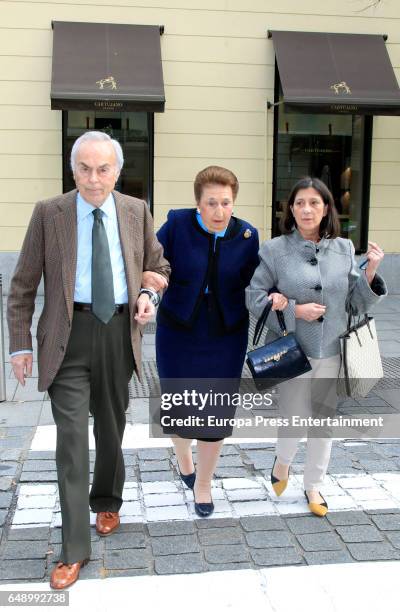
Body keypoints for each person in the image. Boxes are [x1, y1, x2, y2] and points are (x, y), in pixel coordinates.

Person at [7, 131, 170, 589]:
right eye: (84, 168)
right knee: (72, 439)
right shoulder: (49, 213)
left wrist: (147, 292)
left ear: (116, 171)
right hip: (67, 337)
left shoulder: (135, 210)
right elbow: (21, 285)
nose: (93, 179)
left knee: (111, 427)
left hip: (120, 333)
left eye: (103, 169)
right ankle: (74, 548)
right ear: (72, 168)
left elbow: (159, 267)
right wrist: (20, 345)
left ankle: (107, 499)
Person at [246, 176, 387, 517]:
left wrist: (370, 275)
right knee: (293, 420)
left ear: (326, 209)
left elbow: (355, 304)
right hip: (293, 351)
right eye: (299, 203)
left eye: (314, 203)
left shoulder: (341, 248)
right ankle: (282, 462)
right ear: (290, 209)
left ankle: (314, 485)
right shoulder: (274, 249)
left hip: (334, 351)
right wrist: (293, 308)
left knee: (322, 422)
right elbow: (254, 297)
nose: (306, 209)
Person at [155, 166, 259, 517]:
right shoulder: (176, 226)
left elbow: (257, 281)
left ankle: (203, 483)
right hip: (177, 329)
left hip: (226, 334)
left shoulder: (247, 235)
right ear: (197, 203)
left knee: (215, 411)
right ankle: (184, 459)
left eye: (226, 203)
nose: (219, 211)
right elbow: (154, 265)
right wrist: (148, 292)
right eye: (211, 203)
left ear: (234, 202)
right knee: (178, 404)